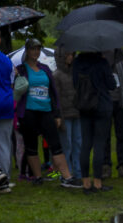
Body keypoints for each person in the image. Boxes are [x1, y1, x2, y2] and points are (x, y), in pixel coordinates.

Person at [15, 38, 82, 189]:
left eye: (38, 49)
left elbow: (53, 93)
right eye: (33, 49)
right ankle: (38, 176)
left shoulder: (45, 69)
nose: (36, 52)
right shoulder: (21, 69)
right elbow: (15, 89)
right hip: (28, 111)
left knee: (55, 144)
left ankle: (67, 177)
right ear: (27, 51)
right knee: (31, 145)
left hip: (46, 111)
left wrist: (57, 114)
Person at [72, 50, 117, 194]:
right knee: (99, 144)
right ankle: (97, 182)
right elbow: (112, 85)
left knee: (86, 144)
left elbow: (75, 83)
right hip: (102, 105)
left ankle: (86, 182)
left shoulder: (77, 63)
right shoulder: (101, 62)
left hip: (84, 106)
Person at [101, 47, 123, 178]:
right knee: (104, 136)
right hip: (104, 100)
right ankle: (105, 166)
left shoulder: (120, 54)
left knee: (122, 135)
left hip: (122, 100)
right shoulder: (98, 53)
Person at [53, 47, 81, 182]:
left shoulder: (75, 72)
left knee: (78, 143)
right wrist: (58, 116)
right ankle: (67, 174)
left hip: (77, 113)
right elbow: (56, 98)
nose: (70, 57)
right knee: (67, 145)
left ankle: (78, 172)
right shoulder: (56, 75)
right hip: (64, 115)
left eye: (72, 54)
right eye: (68, 54)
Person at [0, 25, 14, 193]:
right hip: (6, 103)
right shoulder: (7, 60)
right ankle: (4, 179)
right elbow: (12, 81)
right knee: (3, 143)